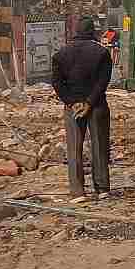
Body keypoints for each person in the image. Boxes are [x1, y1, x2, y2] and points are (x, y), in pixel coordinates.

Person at [51, 18, 114, 201]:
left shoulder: (61, 54)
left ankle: (78, 192)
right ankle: (102, 189)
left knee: (74, 149)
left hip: (73, 108)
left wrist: (72, 102)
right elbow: (103, 81)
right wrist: (89, 102)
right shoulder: (101, 53)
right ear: (92, 31)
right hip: (97, 106)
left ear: (75, 32)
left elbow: (57, 83)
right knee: (100, 146)